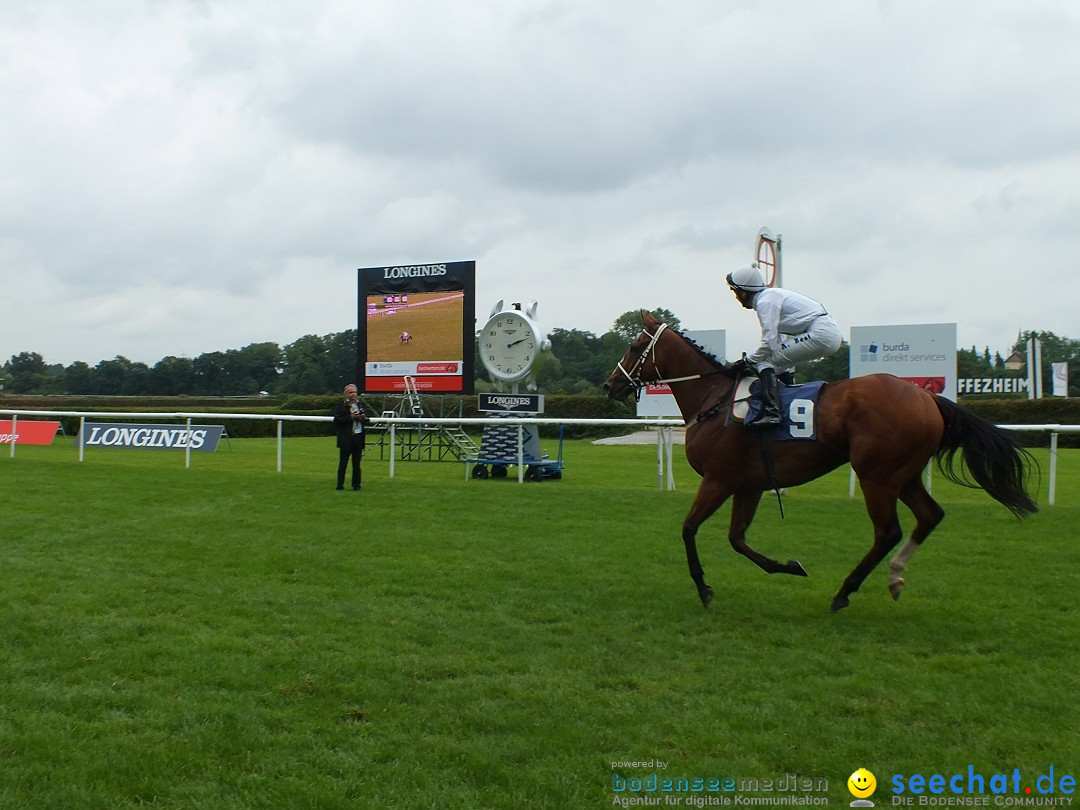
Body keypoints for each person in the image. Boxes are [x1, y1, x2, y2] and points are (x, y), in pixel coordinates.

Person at [727, 264, 842, 426]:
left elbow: (769, 342)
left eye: (735, 292)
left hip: (821, 333)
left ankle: (772, 413)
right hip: (824, 332)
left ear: (743, 292)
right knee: (777, 365)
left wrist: (748, 361)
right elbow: (775, 343)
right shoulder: (768, 297)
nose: (736, 297)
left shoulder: (765, 301)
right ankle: (790, 405)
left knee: (764, 363)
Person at [333, 383, 369, 490]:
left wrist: (361, 418)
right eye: (351, 392)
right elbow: (337, 420)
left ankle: (356, 485)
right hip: (346, 438)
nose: (353, 394)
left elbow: (366, 418)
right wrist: (351, 417)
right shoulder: (341, 406)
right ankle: (340, 485)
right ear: (346, 394)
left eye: (354, 392)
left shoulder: (360, 405)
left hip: (358, 437)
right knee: (343, 464)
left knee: (357, 465)